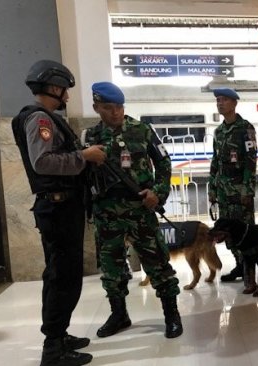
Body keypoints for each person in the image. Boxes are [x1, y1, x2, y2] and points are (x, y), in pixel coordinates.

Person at [12, 60, 106, 366]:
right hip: (57, 206)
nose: (66, 96)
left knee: (64, 275)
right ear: (53, 87)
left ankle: (59, 334)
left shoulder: (46, 118)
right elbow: (44, 163)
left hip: (63, 205)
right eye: (64, 90)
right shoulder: (40, 119)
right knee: (61, 276)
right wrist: (84, 156)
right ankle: (53, 348)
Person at [83, 81, 183, 339]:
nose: (115, 112)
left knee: (157, 263)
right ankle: (119, 314)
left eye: (119, 107)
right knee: (111, 268)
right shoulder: (90, 138)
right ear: (96, 107)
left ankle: (171, 314)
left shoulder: (142, 131)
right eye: (108, 107)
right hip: (107, 213)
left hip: (140, 209)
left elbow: (163, 163)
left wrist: (157, 193)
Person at [208, 88, 257, 291]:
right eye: (218, 100)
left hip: (240, 193)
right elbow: (215, 162)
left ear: (234, 103)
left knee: (246, 234)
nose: (220, 103)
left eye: (224, 100)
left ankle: (250, 276)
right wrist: (212, 189)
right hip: (223, 194)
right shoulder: (219, 132)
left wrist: (247, 189)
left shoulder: (245, 128)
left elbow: (251, 160)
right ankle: (239, 267)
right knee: (229, 236)